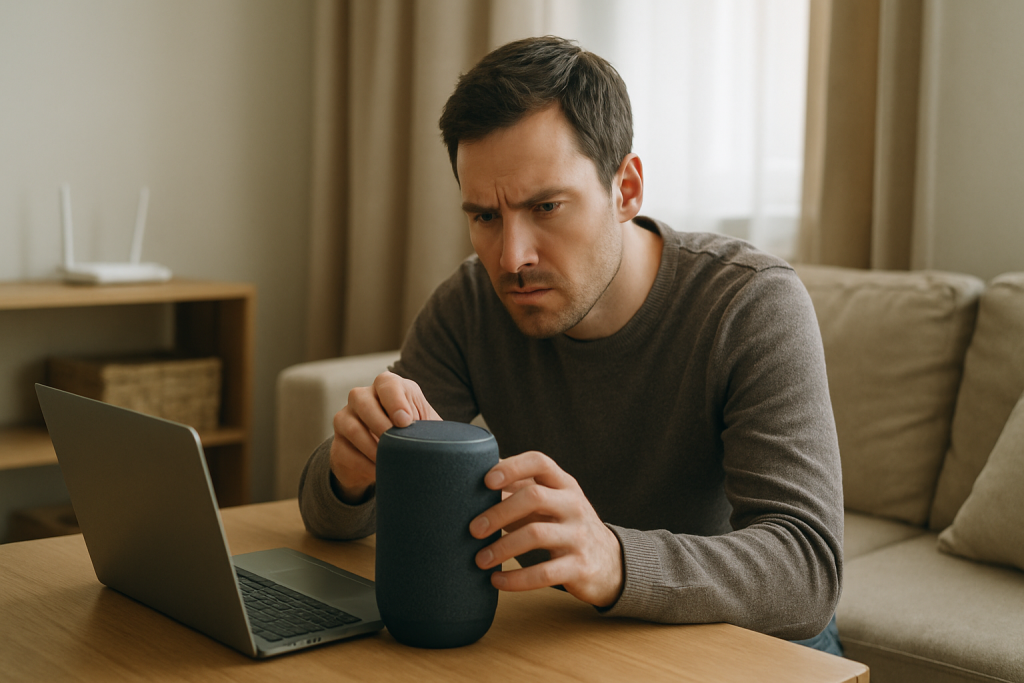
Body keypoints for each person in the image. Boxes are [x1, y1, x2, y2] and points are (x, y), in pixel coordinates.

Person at [298, 35, 844, 654]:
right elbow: (328, 520)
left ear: (626, 190)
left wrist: (613, 557)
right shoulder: (472, 303)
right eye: (484, 217)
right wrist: (351, 475)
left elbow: (808, 572)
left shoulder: (750, 304)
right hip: (571, 640)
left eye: (547, 206)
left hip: (744, 647)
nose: (511, 257)